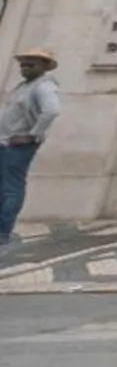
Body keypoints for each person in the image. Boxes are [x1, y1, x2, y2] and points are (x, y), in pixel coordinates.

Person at [0, 46, 62, 246]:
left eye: (31, 63)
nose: (25, 67)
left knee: (10, 189)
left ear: (44, 66)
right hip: (6, 142)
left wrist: (32, 135)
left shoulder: (44, 86)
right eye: (23, 63)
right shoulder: (26, 85)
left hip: (16, 145)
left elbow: (51, 111)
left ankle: (3, 231)